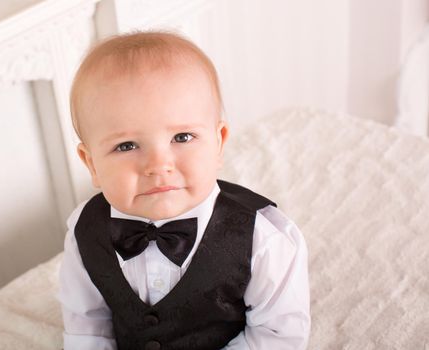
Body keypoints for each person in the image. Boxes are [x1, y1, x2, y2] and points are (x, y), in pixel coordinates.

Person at [58, 31, 310, 350]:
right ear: (91, 163)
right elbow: (87, 323)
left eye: (182, 137)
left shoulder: (265, 239)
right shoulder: (84, 231)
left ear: (218, 142)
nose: (158, 165)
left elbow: (277, 335)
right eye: (127, 145)